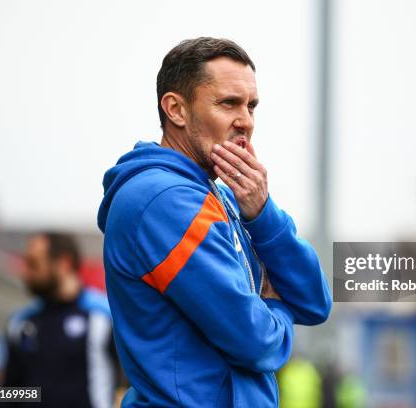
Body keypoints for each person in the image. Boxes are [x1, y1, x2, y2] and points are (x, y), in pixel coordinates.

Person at [97, 37, 332, 407]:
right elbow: (254, 341)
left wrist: (262, 212)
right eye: (229, 104)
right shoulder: (165, 200)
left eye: (252, 106)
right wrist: (276, 311)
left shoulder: (219, 194)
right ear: (176, 109)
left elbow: (315, 302)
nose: (246, 121)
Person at [3, 232, 118, 407]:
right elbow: (10, 391)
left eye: (33, 264)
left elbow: (133, 382)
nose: (25, 273)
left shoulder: (103, 316)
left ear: (63, 263)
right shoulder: (20, 322)